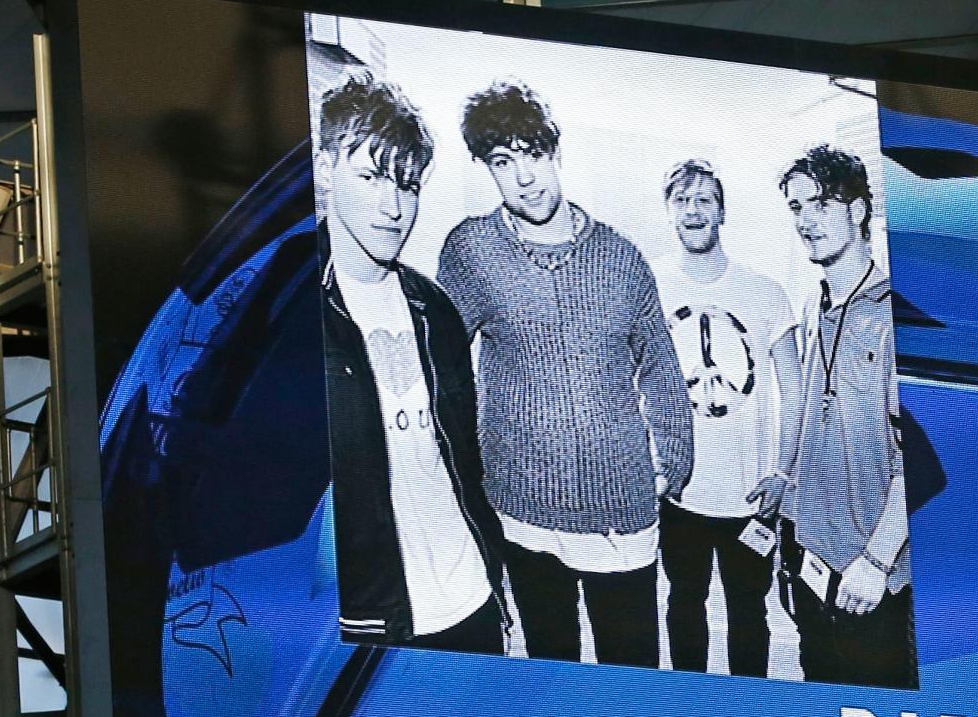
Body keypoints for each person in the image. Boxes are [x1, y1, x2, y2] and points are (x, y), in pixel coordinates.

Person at [436, 78, 693, 667]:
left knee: (631, 673)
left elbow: (661, 367)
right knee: (552, 670)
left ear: (555, 151)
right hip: (521, 510)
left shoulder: (620, 257)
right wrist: (472, 477)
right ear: (487, 169)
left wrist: (672, 462)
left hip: (620, 515)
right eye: (504, 162)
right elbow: (444, 372)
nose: (524, 177)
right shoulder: (473, 251)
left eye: (533, 155)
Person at [317, 74, 509, 654]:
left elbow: (462, 463)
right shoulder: (288, 313)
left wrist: (493, 574)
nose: (393, 206)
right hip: (371, 624)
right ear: (326, 172)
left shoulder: (434, 309)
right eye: (370, 176)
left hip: (469, 597)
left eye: (408, 183)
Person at [766, 145, 913, 690]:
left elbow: (917, 463)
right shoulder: (813, 307)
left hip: (869, 573)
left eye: (820, 204)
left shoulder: (898, 318)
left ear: (856, 211)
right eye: (796, 208)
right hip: (811, 562)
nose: (806, 221)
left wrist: (876, 562)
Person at [651, 158, 799, 679]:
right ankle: (693, 710)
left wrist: (784, 472)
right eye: (682, 200)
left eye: (704, 200)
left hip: (750, 493)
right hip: (679, 491)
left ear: (721, 212)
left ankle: (747, 713)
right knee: (683, 602)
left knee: (748, 612)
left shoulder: (764, 294)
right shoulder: (652, 290)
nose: (693, 212)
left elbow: (795, 389)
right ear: (669, 210)